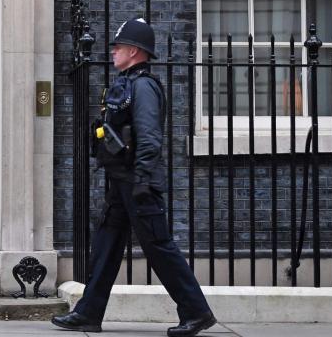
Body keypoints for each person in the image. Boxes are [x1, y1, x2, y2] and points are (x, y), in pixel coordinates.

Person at [51, 18, 216, 337]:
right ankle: (88, 313)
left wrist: (141, 179)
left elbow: (150, 136)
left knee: (159, 247)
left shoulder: (143, 86)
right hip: (121, 184)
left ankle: (196, 311)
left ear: (134, 51)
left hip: (139, 184)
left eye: (118, 46)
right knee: (106, 246)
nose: (112, 51)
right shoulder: (127, 83)